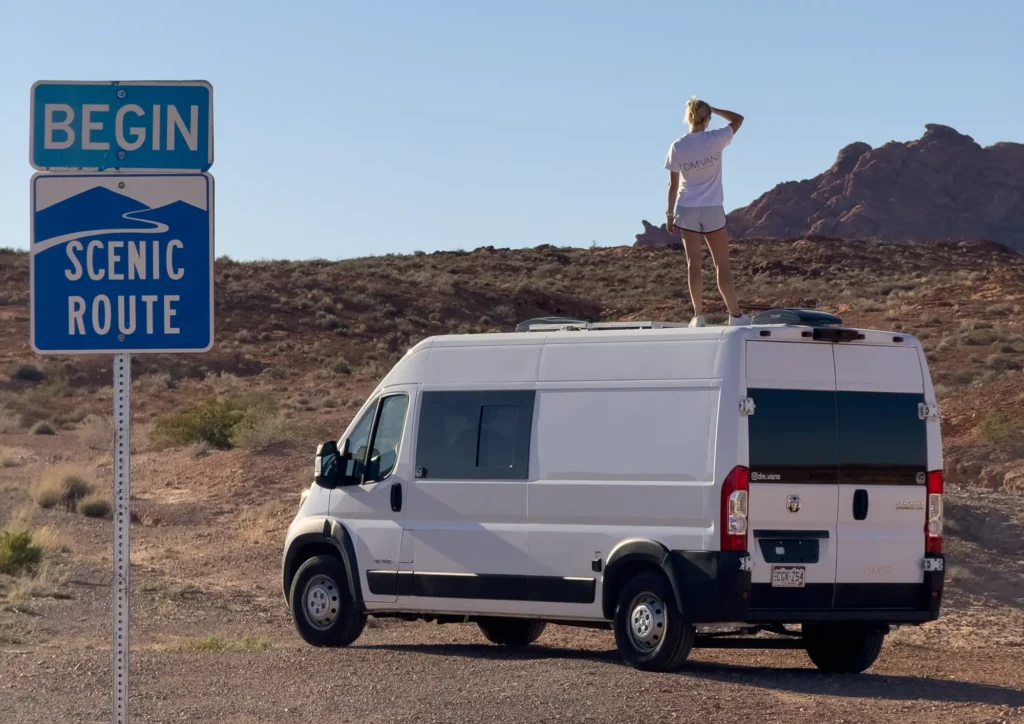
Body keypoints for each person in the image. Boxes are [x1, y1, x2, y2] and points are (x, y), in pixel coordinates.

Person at [664, 99, 750, 327]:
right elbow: (738, 119)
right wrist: (716, 109)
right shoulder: (716, 139)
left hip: (686, 208)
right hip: (712, 208)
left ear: (688, 117)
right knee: (721, 264)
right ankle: (735, 315)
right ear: (707, 117)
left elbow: (672, 185)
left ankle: (698, 316)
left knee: (694, 263)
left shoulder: (678, 146)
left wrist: (669, 215)